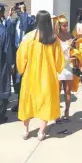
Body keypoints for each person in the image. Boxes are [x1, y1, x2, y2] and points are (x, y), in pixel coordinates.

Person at [17, 10, 64, 141]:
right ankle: (41, 133)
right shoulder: (54, 39)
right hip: (47, 77)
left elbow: (21, 57)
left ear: (36, 21)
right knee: (46, 102)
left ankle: (25, 131)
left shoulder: (28, 37)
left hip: (30, 76)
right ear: (49, 21)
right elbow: (59, 61)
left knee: (27, 102)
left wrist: (21, 69)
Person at [6, 1, 36, 112]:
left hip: (28, 54)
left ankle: (28, 104)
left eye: (20, 9)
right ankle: (20, 103)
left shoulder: (31, 19)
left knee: (26, 80)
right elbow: (8, 30)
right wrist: (9, 16)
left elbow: (26, 27)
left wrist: (24, 12)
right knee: (17, 79)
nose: (18, 11)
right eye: (17, 9)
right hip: (17, 53)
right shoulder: (16, 21)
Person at [53, 14, 77, 123]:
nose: (66, 27)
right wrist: (67, 46)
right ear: (59, 26)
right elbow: (55, 52)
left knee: (68, 90)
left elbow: (73, 50)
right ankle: (56, 114)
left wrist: (74, 53)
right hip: (58, 66)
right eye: (63, 25)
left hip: (68, 65)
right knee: (57, 91)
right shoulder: (55, 36)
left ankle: (67, 112)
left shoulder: (69, 35)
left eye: (66, 25)